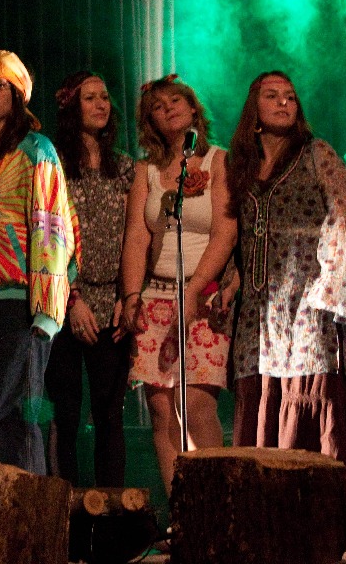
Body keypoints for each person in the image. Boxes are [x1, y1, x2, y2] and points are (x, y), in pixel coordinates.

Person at [184, 70, 346, 549]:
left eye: (290, 96)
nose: (284, 102)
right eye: (272, 96)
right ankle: (269, 522)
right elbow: (246, 237)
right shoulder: (242, 167)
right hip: (261, 308)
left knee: (315, 394)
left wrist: (331, 287)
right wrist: (231, 283)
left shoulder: (317, 153)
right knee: (264, 398)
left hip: (310, 297)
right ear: (254, 108)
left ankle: (335, 523)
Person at [0, 49, 78, 476]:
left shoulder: (35, 151)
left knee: (12, 415)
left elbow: (52, 226)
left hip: (16, 297)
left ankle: (22, 512)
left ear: (17, 95)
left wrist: (47, 311)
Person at [119, 73, 236, 499]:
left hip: (202, 296)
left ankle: (218, 507)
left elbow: (226, 232)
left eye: (175, 101)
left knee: (197, 405)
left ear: (192, 109)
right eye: (158, 105)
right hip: (155, 295)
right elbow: (137, 236)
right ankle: (181, 513)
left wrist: (197, 287)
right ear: (149, 120)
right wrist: (132, 295)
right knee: (162, 411)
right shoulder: (146, 171)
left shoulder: (218, 161)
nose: (167, 108)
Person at [44, 71, 135, 487]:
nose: (101, 104)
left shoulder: (126, 167)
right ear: (71, 106)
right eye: (90, 98)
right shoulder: (54, 165)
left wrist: (126, 296)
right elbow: (47, 236)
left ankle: (111, 508)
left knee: (109, 412)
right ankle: (64, 507)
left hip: (112, 301)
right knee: (65, 410)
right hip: (65, 300)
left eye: (105, 97)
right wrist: (72, 298)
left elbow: (136, 237)